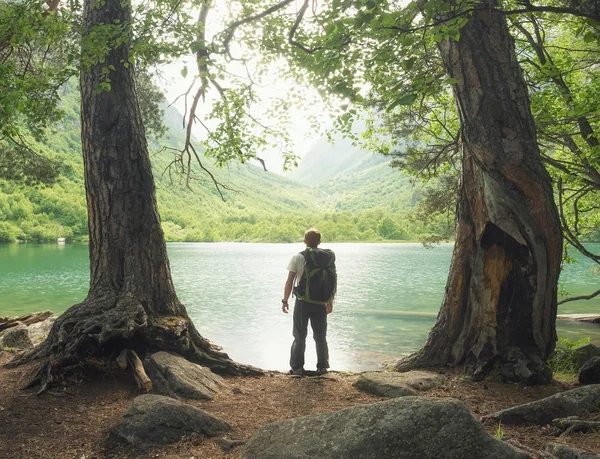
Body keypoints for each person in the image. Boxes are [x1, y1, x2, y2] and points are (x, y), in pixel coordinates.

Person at [281, 228, 336, 377]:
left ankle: (297, 368)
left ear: (305, 241)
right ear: (320, 242)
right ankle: (323, 367)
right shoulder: (327, 258)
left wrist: (285, 301)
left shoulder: (298, 257)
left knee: (299, 336)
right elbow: (332, 281)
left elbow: (289, 281)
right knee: (320, 336)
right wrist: (330, 301)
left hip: (303, 302)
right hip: (321, 302)